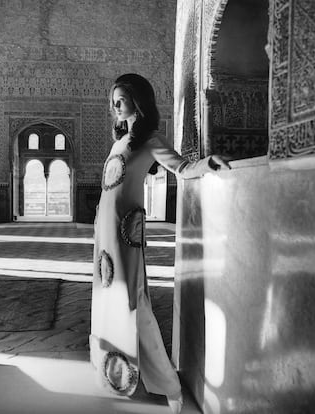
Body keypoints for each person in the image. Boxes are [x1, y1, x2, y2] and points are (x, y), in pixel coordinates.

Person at [89, 73, 230, 414]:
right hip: (104, 233)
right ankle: (114, 370)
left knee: (133, 303)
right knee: (109, 298)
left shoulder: (150, 139)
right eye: (113, 101)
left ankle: (169, 385)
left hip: (126, 232)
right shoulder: (119, 141)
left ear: (139, 100)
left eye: (121, 99)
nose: (115, 106)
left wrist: (207, 164)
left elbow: (181, 167)